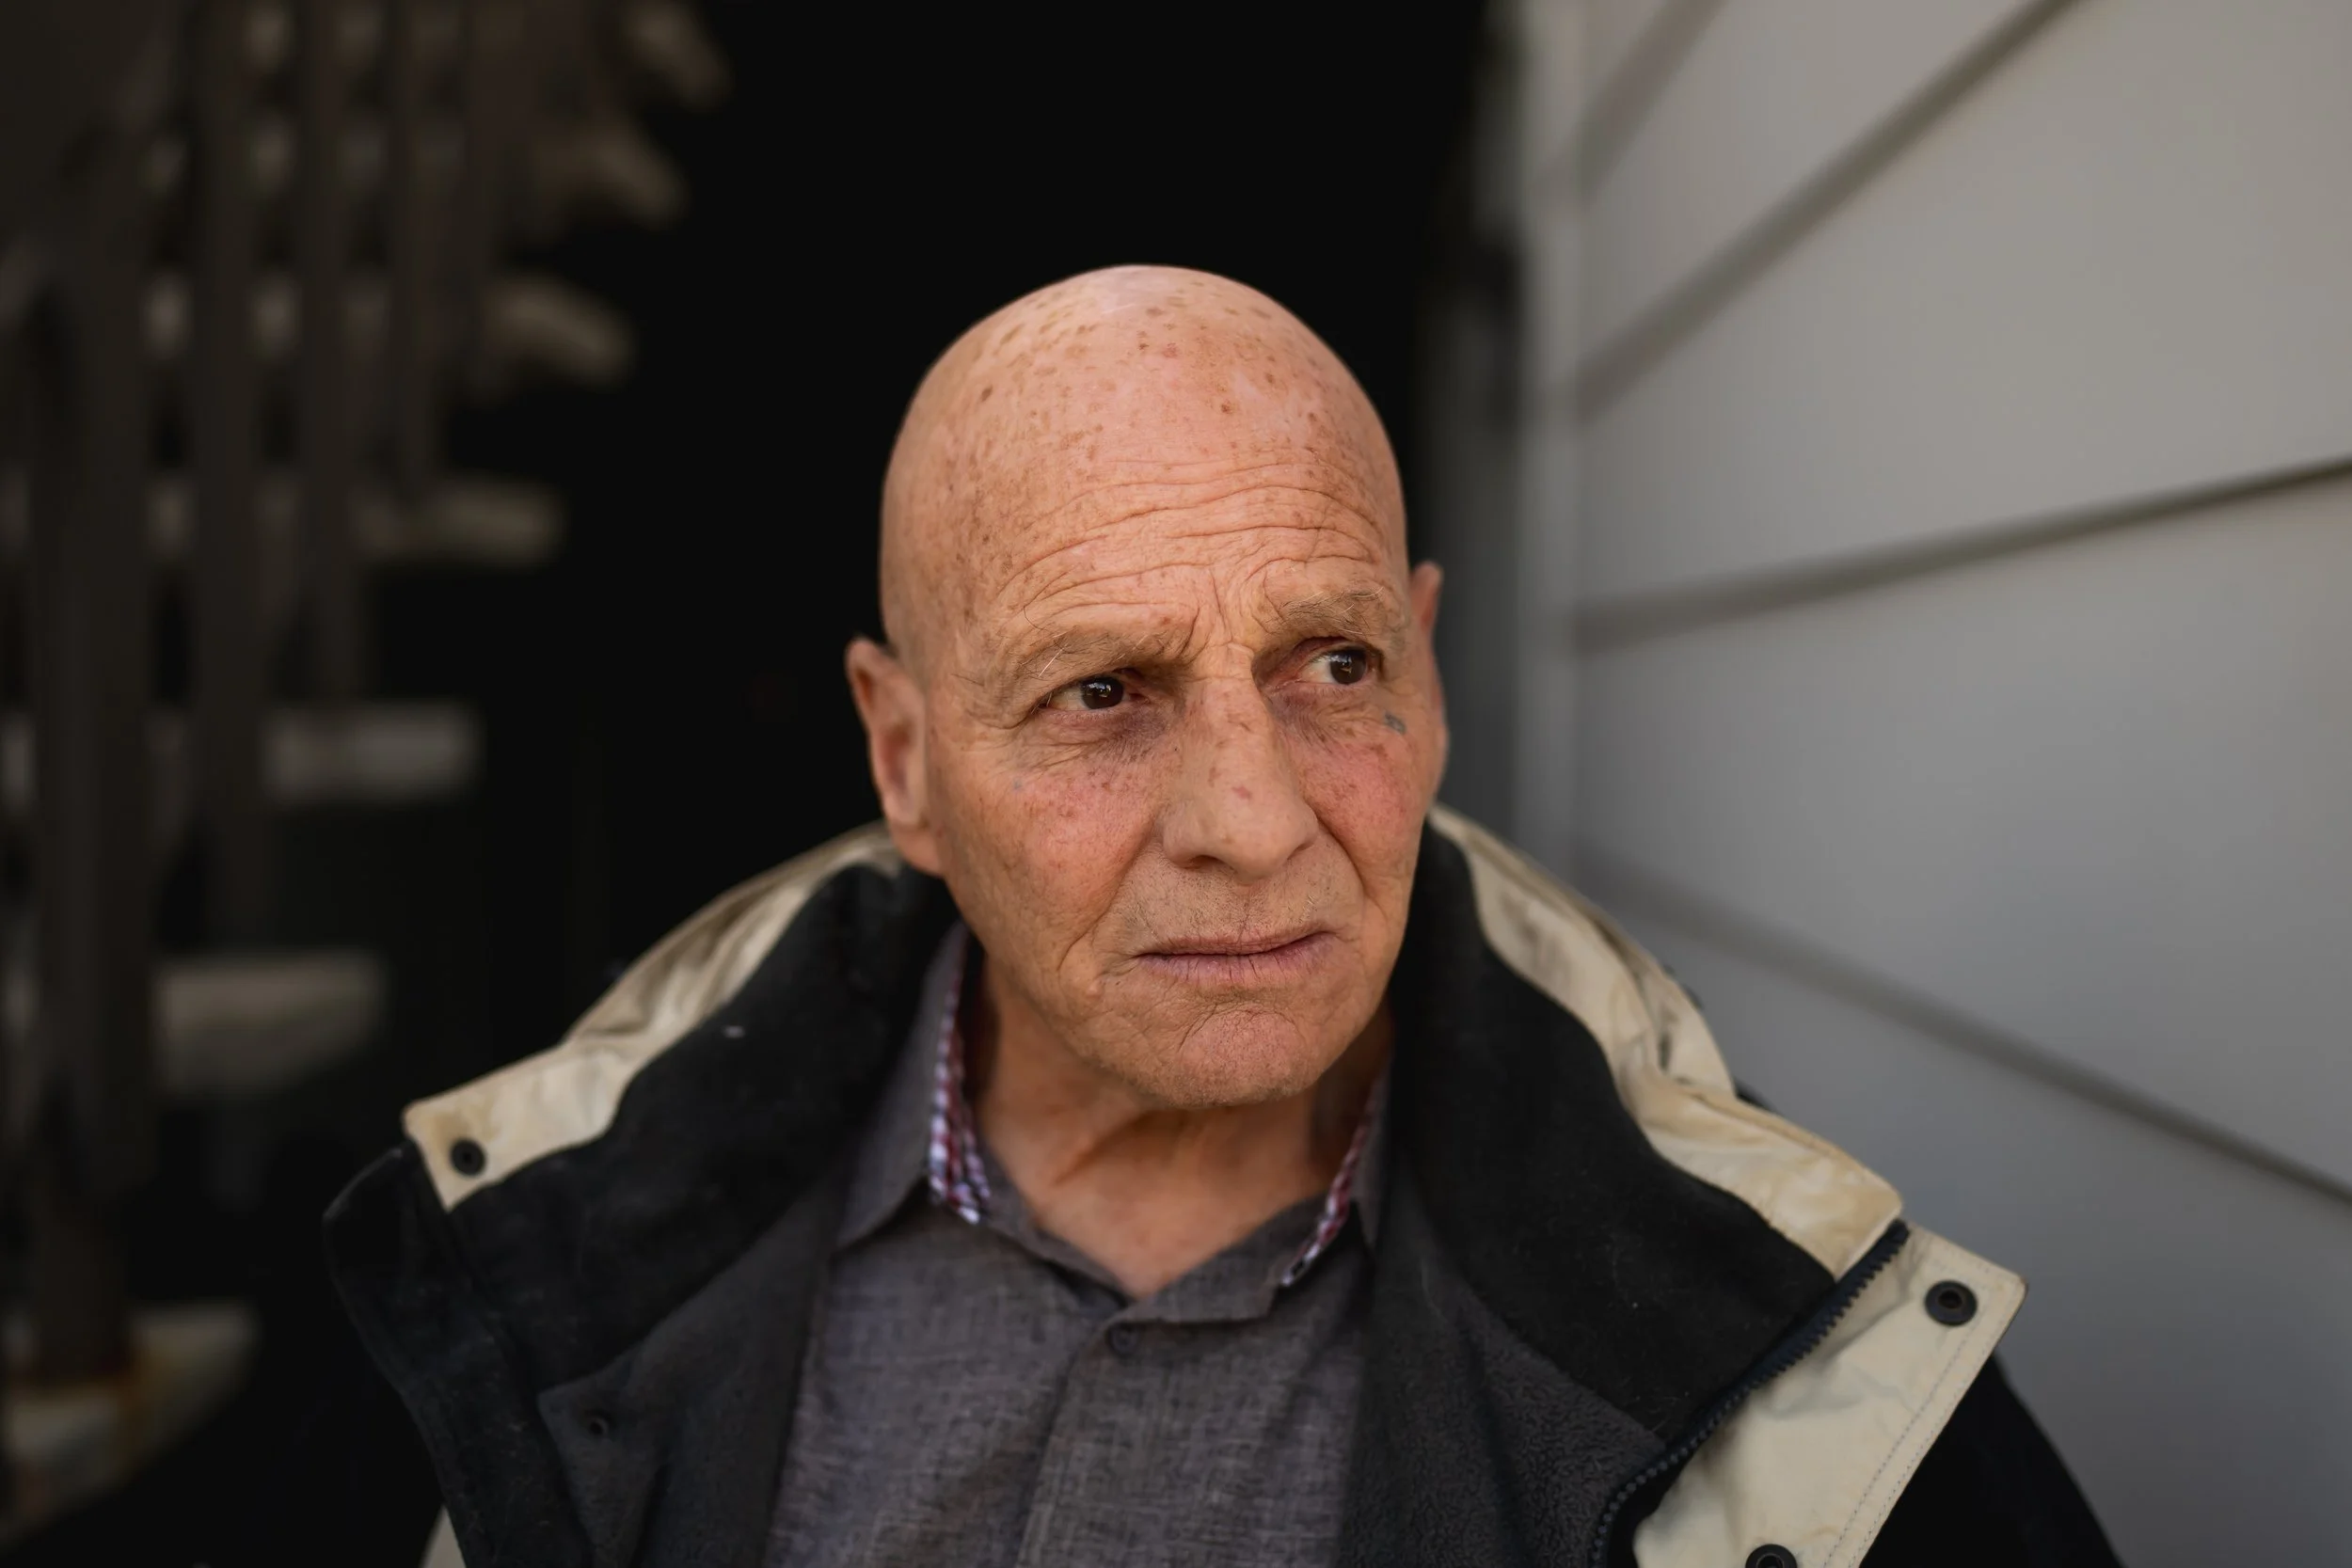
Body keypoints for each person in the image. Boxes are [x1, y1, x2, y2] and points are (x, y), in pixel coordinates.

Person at [328, 266, 2120, 1568]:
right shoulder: (533, 1281)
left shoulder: (1805, 1369)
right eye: (1103, 692)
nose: (1259, 822)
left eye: (1336, 663)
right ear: (905, 757)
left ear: (1425, 670)